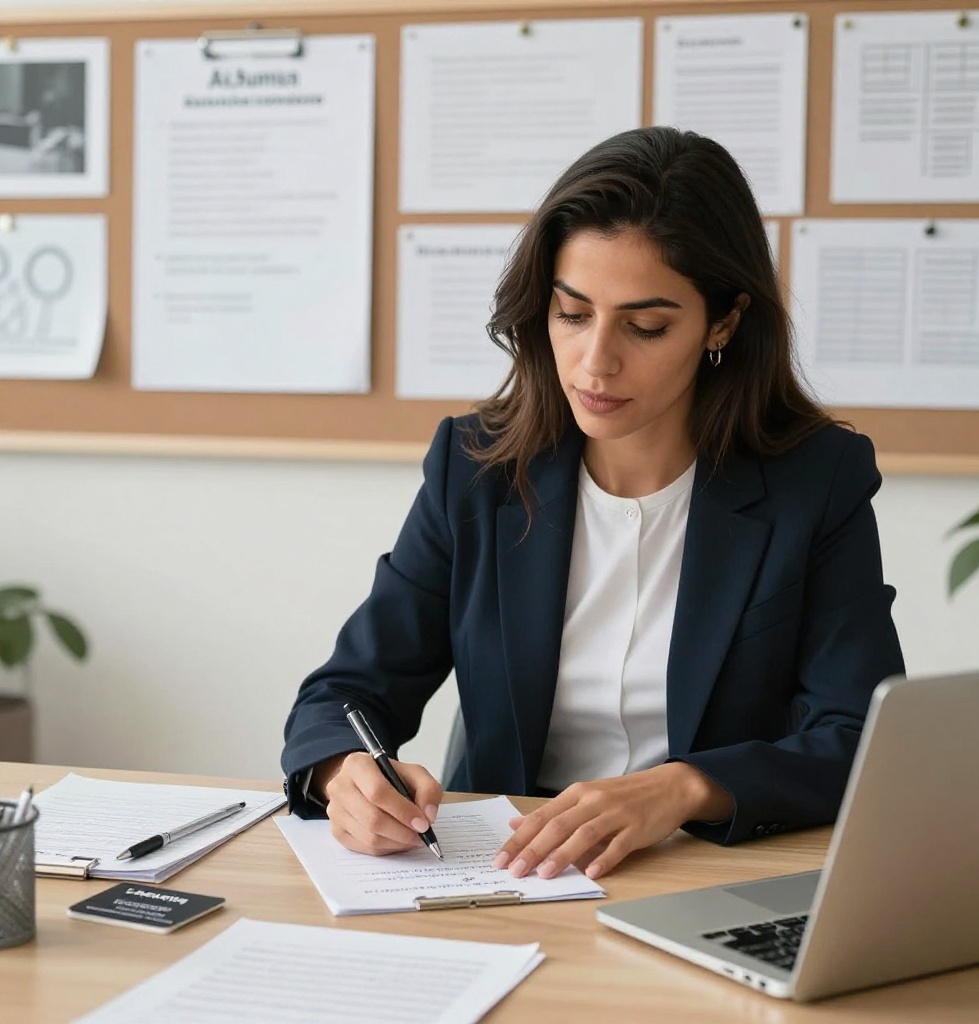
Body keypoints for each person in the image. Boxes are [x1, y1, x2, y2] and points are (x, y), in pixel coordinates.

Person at [281, 126, 904, 882]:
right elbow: (347, 690)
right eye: (572, 314)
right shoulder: (475, 466)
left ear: (725, 321)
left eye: (646, 326)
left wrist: (684, 789)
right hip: (508, 870)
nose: (595, 361)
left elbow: (860, 736)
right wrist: (341, 772)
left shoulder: (816, 481)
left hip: (707, 868)